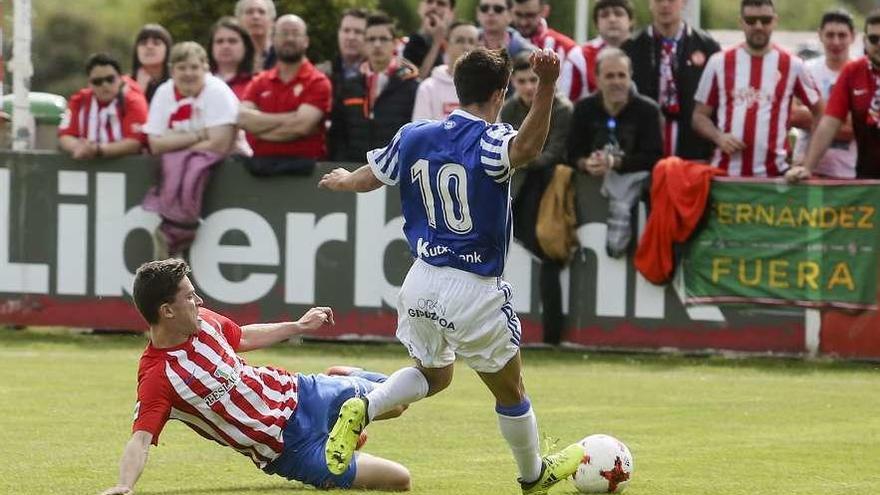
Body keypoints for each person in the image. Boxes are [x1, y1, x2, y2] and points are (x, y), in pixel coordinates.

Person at [319, 47, 584, 495]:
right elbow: (528, 147)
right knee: (511, 391)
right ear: (500, 93)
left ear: (458, 89)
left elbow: (371, 175)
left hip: (421, 280)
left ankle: (364, 407)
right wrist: (547, 86)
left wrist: (343, 179)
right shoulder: (489, 139)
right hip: (474, 286)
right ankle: (533, 476)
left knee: (434, 375)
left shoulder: (414, 134)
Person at [97, 259, 411, 495]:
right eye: (190, 297)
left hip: (304, 393)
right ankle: (340, 429)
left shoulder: (204, 321)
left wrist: (298, 327)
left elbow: (241, 338)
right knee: (400, 480)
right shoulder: (158, 376)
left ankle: (340, 383)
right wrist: (124, 486)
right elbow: (140, 439)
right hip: (291, 451)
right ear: (167, 311)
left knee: (398, 404)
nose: (200, 302)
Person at [692, 0, 822, 177]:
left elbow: (822, 113)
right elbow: (699, 116)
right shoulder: (718, 62)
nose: (758, 26)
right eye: (751, 20)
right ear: (741, 22)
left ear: (775, 21)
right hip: (726, 175)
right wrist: (718, 137)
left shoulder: (793, 65)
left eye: (765, 20)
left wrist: (807, 162)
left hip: (775, 176)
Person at [500, 53, 572, 345]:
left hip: (550, 190)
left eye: (534, 79)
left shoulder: (563, 108)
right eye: (522, 81)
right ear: (513, 82)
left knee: (549, 256)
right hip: (516, 190)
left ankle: (553, 335)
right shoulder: (508, 109)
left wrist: (518, 157)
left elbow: (553, 154)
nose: (529, 86)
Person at [786, 9, 880, 181]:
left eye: (842, 35)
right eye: (874, 39)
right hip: (864, 179)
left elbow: (851, 128)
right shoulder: (852, 71)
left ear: (852, 37)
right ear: (865, 41)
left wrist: (813, 114)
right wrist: (807, 167)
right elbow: (829, 122)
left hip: (848, 169)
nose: (879, 44)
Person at [623, 0, 720, 160]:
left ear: (684, 3)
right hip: (645, 145)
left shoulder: (707, 46)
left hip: (692, 144)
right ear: (650, 3)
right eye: (658, 0)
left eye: (672, 0)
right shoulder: (632, 46)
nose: (665, 5)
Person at [238, 15, 333, 175]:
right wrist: (292, 117)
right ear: (273, 39)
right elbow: (243, 118)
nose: (289, 38)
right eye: (283, 33)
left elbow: (301, 126)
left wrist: (258, 131)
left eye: (295, 33)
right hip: (259, 174)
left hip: (306, 176)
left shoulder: (318, 81)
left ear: (306, 41)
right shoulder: (259, 82)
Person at [329, 12, 420, 162]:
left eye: (383, 39)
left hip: (394, 174)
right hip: (353, 173)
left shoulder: (412, 86)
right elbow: (338, 135)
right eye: (371, 39)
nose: (377, 44)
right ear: (364, 44)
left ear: (395, 43)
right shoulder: (349, 87)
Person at [568, 48, 663, 179]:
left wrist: (614, 162)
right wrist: (586, 164)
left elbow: (654, 158)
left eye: (621, 75)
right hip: (591, 182)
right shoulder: (583, 108)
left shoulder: (648, 110)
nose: (616, 82)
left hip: (636, 186)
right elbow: (571, 153)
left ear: (630, 77)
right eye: (609, 76)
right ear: (597, 80)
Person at [143, 42, 238, 156]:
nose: (188, 73)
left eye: (194, 67)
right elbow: (155, 146)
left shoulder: (217, 91)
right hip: (177, 166)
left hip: (228, 167)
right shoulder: (163, 92)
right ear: (172, 71)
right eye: (182, 68)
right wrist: (199, 135)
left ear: (205, 69)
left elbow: (219, 146)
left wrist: (174, 147)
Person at [58, 53, 148, 160]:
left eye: (110, 79)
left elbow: (135, 143)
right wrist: (78, 147)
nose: (104, 85)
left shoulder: (134, 101)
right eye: (97, 82)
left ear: (120, 79)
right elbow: (65, 135)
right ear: (89, 84)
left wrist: (98, 150)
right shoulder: (79, 100)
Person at [560, 0, 634, 102]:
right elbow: (565, 104)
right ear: (596, 23)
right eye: (604, 15)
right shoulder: (579, 56)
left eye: (618, 13)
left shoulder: (647, 51)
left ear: (630, 20)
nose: (612, 19)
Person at [412, 21, 479, 120]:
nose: (466, 47)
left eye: (471, 42)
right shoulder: (428, 87)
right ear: (446, 45)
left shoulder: (486, 87)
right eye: (459, 41)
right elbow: (421, 131)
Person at [318, 8, 369, 97]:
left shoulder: (380, 76)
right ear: (339, 34)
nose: (351, 37)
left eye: (358, 32)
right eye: (346, 30)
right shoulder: (319, 74)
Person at [402, 0, 457, 80]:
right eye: (429, 1)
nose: (433, 7)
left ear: (452, 13)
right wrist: (436, 43)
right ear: (420, 7)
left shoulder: (462, 44)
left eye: (441, 3)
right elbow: (413, 82)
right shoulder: (401, 46)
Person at [208, 17, 256, 100]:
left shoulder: (257, 82)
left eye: (232, 41)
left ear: (246, 47)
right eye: (219, 41)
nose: (225, 46)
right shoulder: (201, 81)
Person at [130, 24, 172, 103]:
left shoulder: (176, 83)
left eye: (156, 43)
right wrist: (139, 90)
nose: (149, 46)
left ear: (167, 50)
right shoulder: (124, 85)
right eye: (143, 43)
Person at [236, 0, 277, 71]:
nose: (256, 17)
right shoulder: (231, 57)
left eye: (262, 12)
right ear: (239, 20)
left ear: (272, 21)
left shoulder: (283, 56)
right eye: (249, 12)